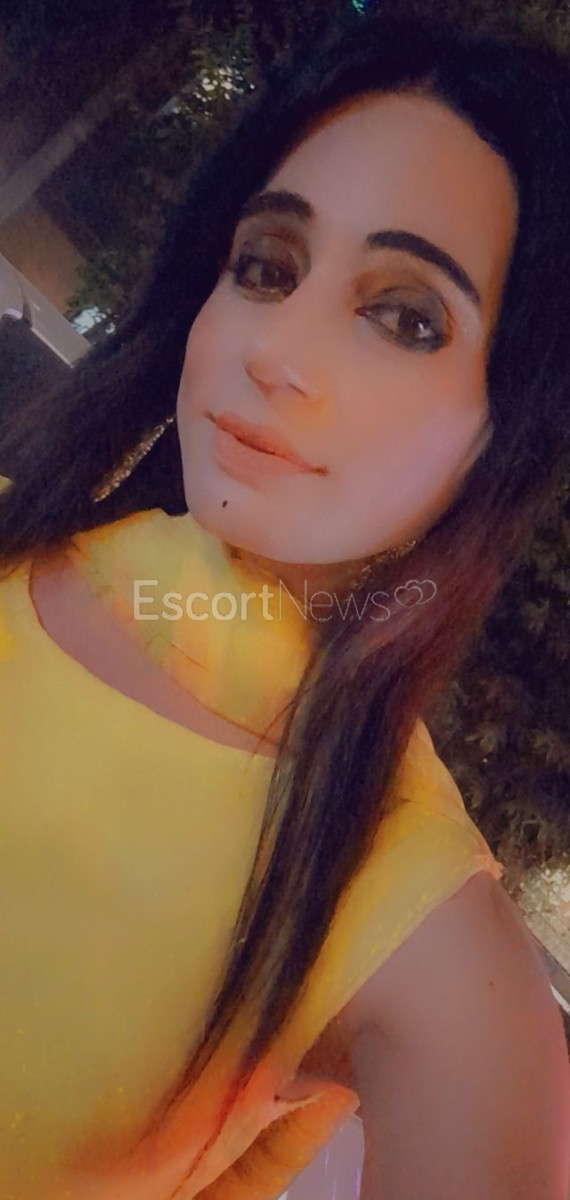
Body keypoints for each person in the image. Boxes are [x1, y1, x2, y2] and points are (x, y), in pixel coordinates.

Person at [0, 9, 569, 1199]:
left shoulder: (407, 914)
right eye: (266, 267)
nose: (276, 352)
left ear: (502, 431)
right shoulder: (26, 536)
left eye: (406, 316)